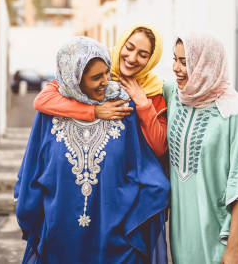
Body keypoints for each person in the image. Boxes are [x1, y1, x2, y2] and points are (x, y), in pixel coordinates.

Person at [14, 36, 169, 264]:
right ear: (75, 79)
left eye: (108, 72)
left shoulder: (123, 107)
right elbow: (32, 170)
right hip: (60, 234)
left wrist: (156, 190)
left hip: (113, 236)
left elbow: (142, 164)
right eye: (97, 77)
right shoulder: (49, 112)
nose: (107, 81)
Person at [166, 33, 238, 264]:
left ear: (206, 65)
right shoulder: (175, 95)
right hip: (184, 233)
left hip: (223, 234)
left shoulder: (235, 114)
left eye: (185, 62)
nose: (176, 68)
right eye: (175, 59)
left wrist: (233, 248)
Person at [33, 25, 168, 158]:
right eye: (129, 48)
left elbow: (159, 147)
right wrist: (94, 111)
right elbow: (43, 100)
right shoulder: (98, 62)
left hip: (124, 171)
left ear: (152, 60)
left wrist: (144, 104)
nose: (132, 58)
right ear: (121, 44)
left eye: (143, 55)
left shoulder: (153, 90)